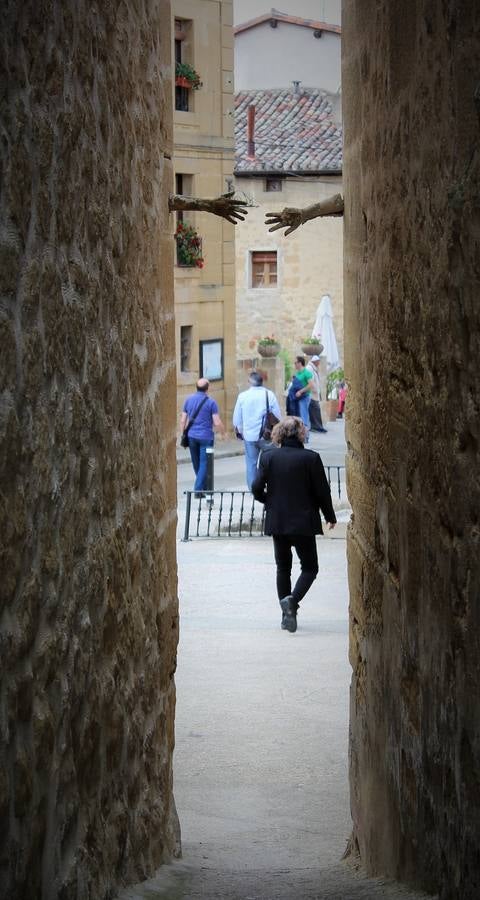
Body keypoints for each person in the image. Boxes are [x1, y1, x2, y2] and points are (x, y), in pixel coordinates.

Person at [252, 416, 336, 633]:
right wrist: (329, 515)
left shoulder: (269, 456)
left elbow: (256, 487)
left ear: (279, 433)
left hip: (277, 520)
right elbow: (322, 492)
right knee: (309, 567)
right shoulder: (311, 458)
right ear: (301, 433)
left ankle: (285, 615)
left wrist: (268, 500)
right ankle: (292, 602)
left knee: (283, 568)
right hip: (303, 522)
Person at [232, 371, 282, 490]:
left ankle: (254, 489)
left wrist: (240, 431)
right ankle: (272, 486)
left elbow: (236, 419)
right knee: (271, 462)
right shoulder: (269, 395)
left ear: (250, 382)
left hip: (249, 436)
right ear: (261, 382)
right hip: (267, 435)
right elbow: (277, 416)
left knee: (251, 464)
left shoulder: (243, 396)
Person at [180, 379, 225, 496]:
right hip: (206, 437)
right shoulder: (211, 402)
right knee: (204, 463)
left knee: (197, 464)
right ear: (208, 388)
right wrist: (223, 433)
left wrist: (183, 434)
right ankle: (198, 489)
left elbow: (182, 420)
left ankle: (203, 488)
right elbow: (217, 422)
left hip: (191, 436)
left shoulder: (188, 400)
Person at [293, 356, 314, 438]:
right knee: (299, 417)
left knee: (304, 416)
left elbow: (311, 385)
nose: (294, 364)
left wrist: (300, 391)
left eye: (295, 363)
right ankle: (300, 435)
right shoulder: (297, 373)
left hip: (304, 397)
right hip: (297, 398)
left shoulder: (307, 373)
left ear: (300, 363)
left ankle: (306, 436)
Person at [306, 355, 327, 433]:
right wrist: (315, 390)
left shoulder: (313, 368)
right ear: (315, 361)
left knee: (316, 410)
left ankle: (318, 427)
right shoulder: (309, 368)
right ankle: (316, 427)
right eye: (318, 361)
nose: (319, 363)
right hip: (312, 394)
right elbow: (310, 380)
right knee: (315, 410)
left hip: (314, 394)